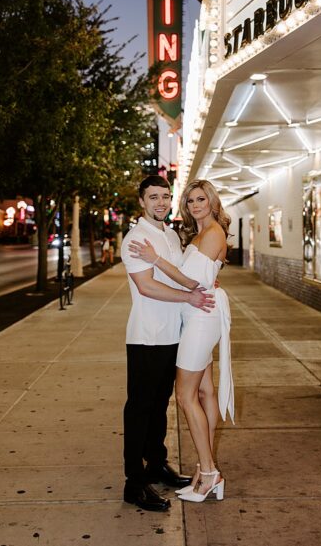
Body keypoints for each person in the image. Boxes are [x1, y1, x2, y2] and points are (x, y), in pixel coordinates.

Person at [129, 179, 234, 503]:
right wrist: (198, 286)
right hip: (172, 326)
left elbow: (195, 283)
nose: (195, 205)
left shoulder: (208, 232)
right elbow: (164, 284)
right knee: (199, 392)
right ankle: (200, 471)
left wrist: (158, 261)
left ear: (212, 201)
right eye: (190, 201)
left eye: (201, 199)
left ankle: (208, 471)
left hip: (198, 319)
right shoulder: (177, 235)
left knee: (186, 396)